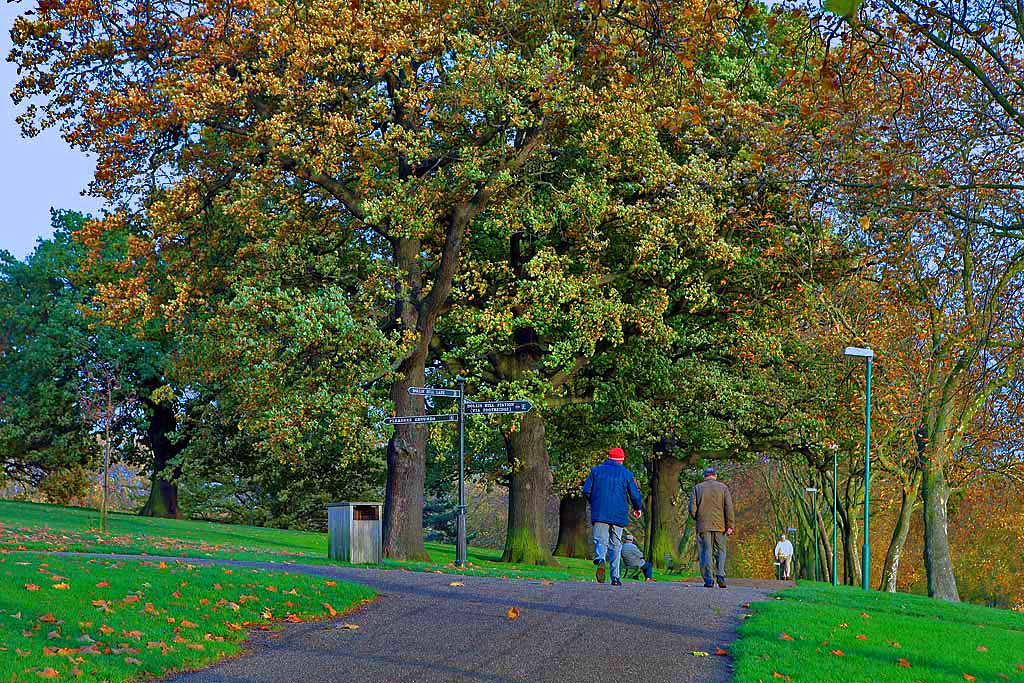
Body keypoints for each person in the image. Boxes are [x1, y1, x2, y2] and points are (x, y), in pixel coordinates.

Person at [582, 447, 643, 586]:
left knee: (600, 540)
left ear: (608, 457)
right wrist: (637, 508)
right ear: (621, 459)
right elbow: (634, 494)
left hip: (600, 511)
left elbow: (586, 491)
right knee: (616, 543)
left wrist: (595, 502)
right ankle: (615, 577)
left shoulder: (596, 471)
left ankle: (601, 558)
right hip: (618, 513)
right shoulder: (626, 474)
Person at [688, 466, 735, 588]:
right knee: (721, 551)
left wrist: (697, 518)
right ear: (715, 476)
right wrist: (730, 524)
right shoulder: (723, 488)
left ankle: (709, 579)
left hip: (703, 525)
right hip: (721, 526)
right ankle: (720, 575)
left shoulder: (697, 488)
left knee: (705, 552)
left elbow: (692, 508)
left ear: (704, 476)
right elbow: (729, 507)